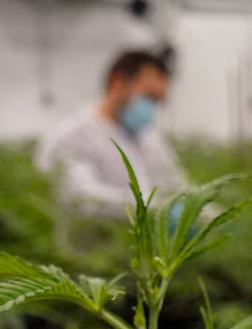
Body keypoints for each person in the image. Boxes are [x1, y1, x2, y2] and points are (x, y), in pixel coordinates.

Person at [38, 48, 190, 217]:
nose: (153, 108)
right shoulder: (70, 136)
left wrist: (202, 213)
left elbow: (173, 184)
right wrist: (154, 209)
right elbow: (80, 198)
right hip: (94, 241)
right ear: (117, 82)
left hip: (146, 241)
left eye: (159, 101)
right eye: (149, 97)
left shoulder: (149, 137)